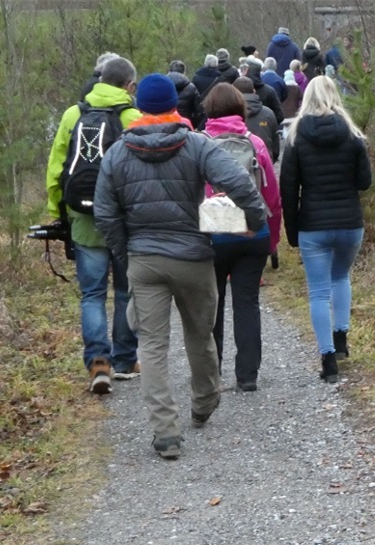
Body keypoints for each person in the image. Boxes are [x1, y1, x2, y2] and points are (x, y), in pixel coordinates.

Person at [93, 74, 267, 460]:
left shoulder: (118, 153)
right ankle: (204, 402)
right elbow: (238, 181)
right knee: (200, 333)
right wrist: (256, 219)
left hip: (144, 259)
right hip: (192, 256)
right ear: (175, 105)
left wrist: (128, 253)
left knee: (152, 346)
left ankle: (165, 432)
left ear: (140, 107)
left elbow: (105, 213)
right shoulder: (195, 144)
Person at [46, 55, 142, 393]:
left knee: (91, 294)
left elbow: (56, 167)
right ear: (129, 85)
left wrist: (60, 211)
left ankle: (98, 363)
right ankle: (125, 359)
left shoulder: (73, 115)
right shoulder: (134, 118)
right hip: (125, 222)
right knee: (126, 291)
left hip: (84, 218)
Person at [279, 75, 372, 384]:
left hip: (314, 225)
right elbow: (364, 182)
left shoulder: (295, 137)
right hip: (349, 223)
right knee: (341, 276)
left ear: (307, 98)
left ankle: (328, 359)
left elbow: (289, 191)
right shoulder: (352, 135)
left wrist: (292, 234)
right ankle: (342, 337)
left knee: (318, 293)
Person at [200, 83, 282, 394]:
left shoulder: (199, 143)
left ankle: (213, 373)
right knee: (247, 303)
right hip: (252, 232)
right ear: (240, 109)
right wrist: (271, 238)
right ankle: (247, 376)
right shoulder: (256, 143)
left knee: (213, 304)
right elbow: (272, 198)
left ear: (209, 109)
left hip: (214, 231)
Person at [233, 76, 280, 162]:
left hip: (236, 165)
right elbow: (275, 148)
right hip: (263, 163)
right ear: (254, 91)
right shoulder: (268, 113)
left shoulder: (228, 114)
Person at [243, 59, 284, 125]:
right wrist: (267, 125)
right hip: (265, 131)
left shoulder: (238, 90)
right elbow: (279, 116)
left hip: (243, 132)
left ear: (246, 71)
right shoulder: (270, 91)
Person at [167, 60, 203, 130]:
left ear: (169, 71)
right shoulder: (191, 88)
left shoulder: (161, 85)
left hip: (164, 125)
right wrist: (193, 124)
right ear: (184, 72)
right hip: (185, 126)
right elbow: (199, 112)